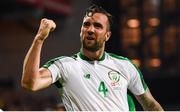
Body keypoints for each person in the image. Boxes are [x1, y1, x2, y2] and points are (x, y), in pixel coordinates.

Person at [21, 4, 164, 111]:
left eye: (97, 26)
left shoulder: (125, 65)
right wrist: (39, 39)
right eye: (86, 25)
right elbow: (30, 83)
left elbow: (150, 104)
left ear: (107, 35)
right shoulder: (64, 66)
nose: (90, 29)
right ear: (81, 31)